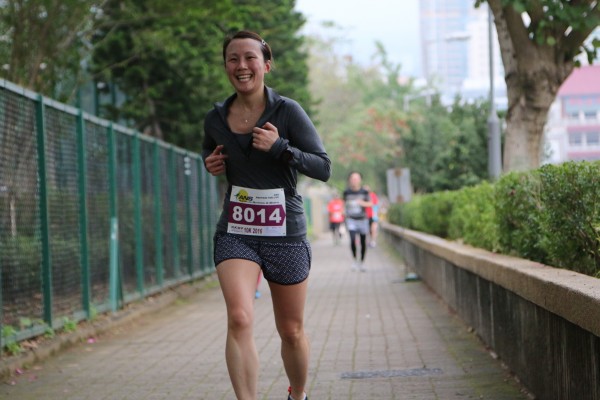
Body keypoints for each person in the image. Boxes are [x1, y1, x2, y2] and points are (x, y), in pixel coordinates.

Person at [202, 30, 330, 400]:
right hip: (236, 231)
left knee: (291, 330)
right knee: (240, 318)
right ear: (226, 66)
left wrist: (281, 147)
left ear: (266, 65)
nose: (241, 65)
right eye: (233, 58)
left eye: (250, 58)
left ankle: (298, 394)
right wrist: (210, 162)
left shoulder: (287, 111)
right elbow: (210, 151)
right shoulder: (215, 118)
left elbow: (323, 167)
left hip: (284, 232)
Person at [343, 172, 372, 272]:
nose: (354, 180)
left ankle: (362, 262)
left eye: (356, 178)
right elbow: (344, 204)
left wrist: (362, 203)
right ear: (350, 180)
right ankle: (355, 260)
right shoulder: (346, 192)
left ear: (360, 180)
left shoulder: (364, 192)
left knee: (363, 242)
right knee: (352, 240)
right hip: (351, 220)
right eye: (352, 178)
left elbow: (370, 203)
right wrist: (343, 211)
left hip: (363, 220)